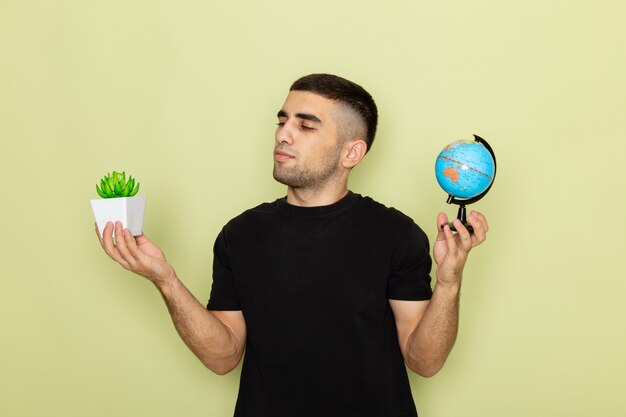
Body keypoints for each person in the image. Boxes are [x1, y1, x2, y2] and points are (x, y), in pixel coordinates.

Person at [96, 73, 489, 417]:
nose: (283, 133)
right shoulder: (240, 235)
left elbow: (424, 361)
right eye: (282, 120)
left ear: (351, 152)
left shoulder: (396, 234)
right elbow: (223, 356)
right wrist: (165, 280)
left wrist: (449, 284)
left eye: (306, 125)